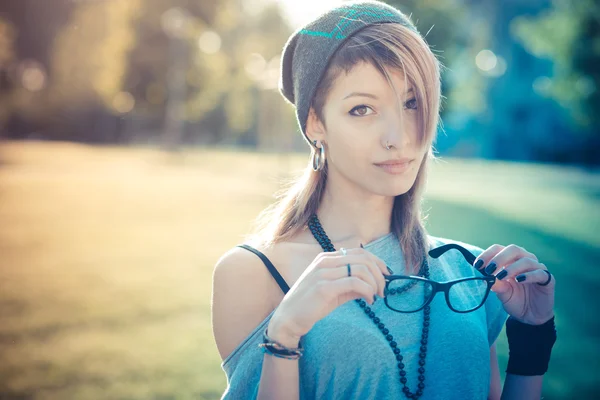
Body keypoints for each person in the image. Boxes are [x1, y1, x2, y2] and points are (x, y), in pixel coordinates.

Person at [211, 1, 557, 399]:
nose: (398, 136)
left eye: (411, 103)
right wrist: (285, 333)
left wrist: (534, 335)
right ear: (315, 123)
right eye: (362, 109)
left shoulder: (469, 272)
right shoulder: (254, 272)